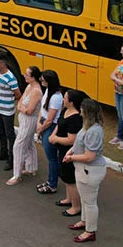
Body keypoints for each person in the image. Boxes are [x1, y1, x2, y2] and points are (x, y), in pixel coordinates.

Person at [63, 98, 106, 243]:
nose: (80, 112)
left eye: (82, 109)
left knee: (90, 202)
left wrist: (72, 157)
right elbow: (78, 143)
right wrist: (71, 151)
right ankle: (84, 222)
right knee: (85, 199)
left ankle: (90, 231)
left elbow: (89, 156)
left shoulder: (94, 131)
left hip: (90, 170)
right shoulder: (87, 126)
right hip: (83, 169)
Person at [49, 89, 85, 218]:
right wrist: (53, 135)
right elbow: (59, 125)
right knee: (65, 177)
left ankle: (76, 207)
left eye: (65, 98)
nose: (63, 100)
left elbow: (72, 140)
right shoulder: (66, 111)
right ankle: (69, 199)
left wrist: (55, 139)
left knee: (70, 179)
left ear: (71, 102)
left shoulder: (75, 118)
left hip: (69, 152)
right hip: (61, 149)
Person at [7, 66, 42, 185]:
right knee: (29, 143)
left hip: (29, 121)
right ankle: (31, 167)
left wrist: (22, 108)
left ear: (33, 77)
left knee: (18, 145)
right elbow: (21, 101)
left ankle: (17, 175)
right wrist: (22, 108)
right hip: (23, 119)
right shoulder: (29, 86)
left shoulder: (36, 91)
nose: (24, 76)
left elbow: (30, 110)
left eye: (27, 75)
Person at [35, 70, 64, 195]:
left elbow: (51, 119)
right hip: (43, 123)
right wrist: (38, 123)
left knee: (52, 157)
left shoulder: (57, 97)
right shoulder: (48, 91)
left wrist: (40, 129)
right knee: (49, 156)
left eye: (42, 80)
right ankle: (50, 180)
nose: (41, 82)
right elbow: (42, 109)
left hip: (50, 126)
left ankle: (52, 184)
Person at [0, 52, 21, 169]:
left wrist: (7, 101)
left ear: (2, 63)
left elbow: (18, 95)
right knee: (0, 131)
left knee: (10, 134)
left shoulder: (11, 78)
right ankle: (2, 152)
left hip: (7, 111)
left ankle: (12, 158)